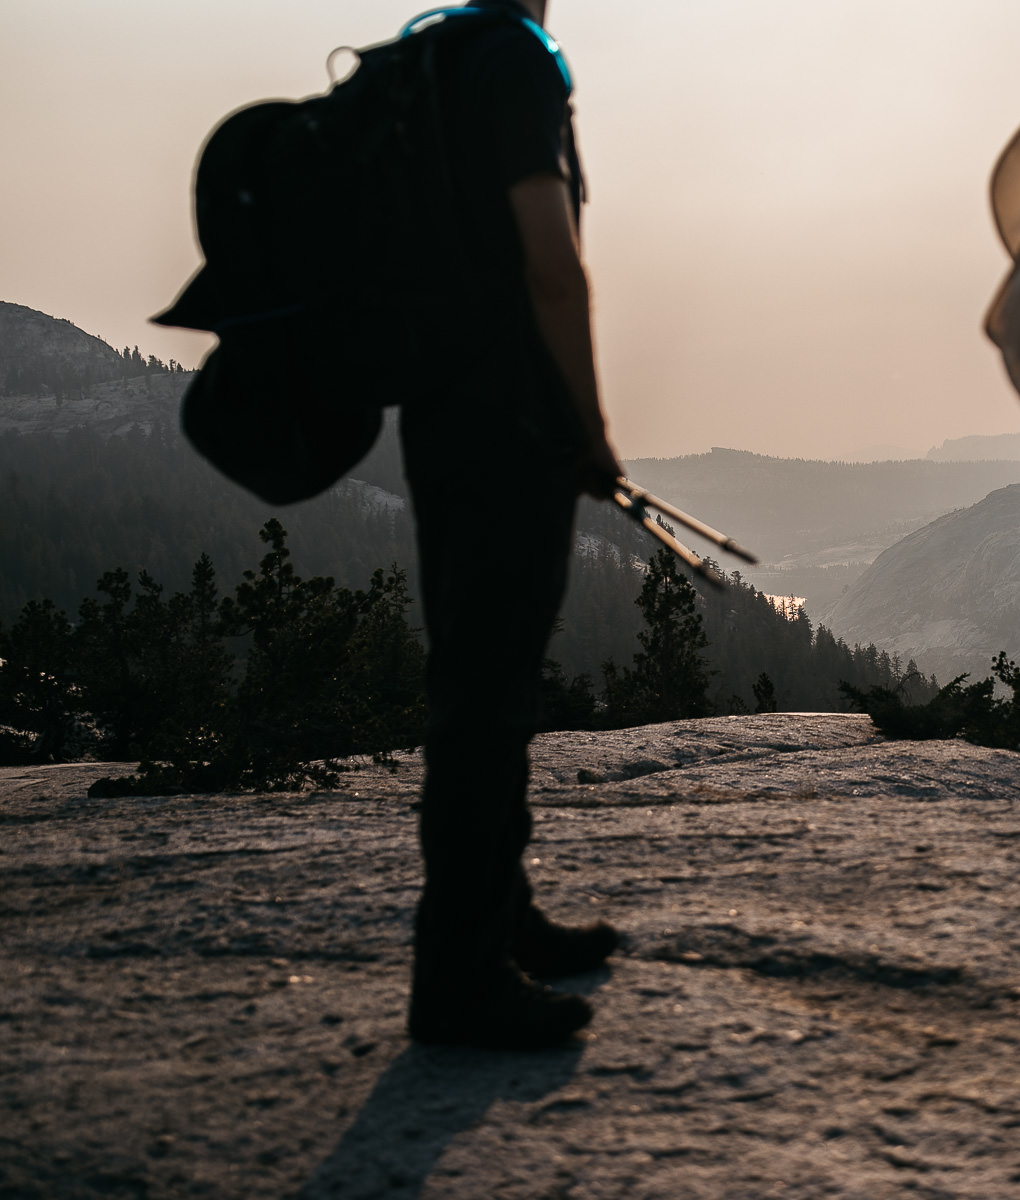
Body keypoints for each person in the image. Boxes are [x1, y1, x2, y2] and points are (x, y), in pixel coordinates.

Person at [401, 0, 628, 1049]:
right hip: (513, 421)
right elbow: (551, 261)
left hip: (440, 414)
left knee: (476, 682)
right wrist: (589, 425)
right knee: (491, 701)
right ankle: (460, 976)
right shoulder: (519, 64)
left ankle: (503, 919)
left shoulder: (436, 57)